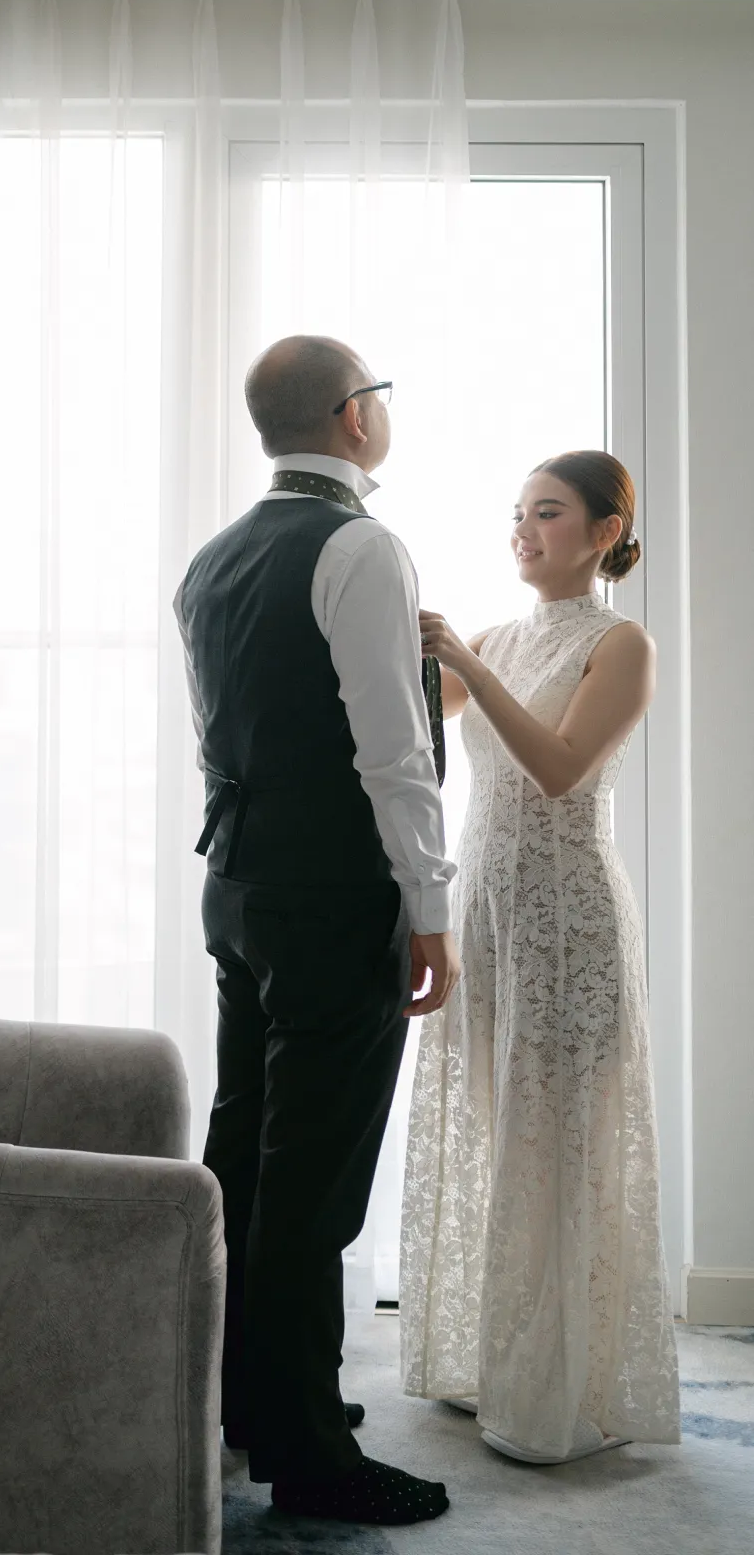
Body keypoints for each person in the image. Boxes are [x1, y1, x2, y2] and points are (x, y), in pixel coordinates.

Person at [175, 335, 459, 1527]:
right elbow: (388, 755)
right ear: (351, 417)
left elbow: (238, 728)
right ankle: (309, 1454)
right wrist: (430, 906)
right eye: (377, 394)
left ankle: (243, 1405)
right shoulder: (358, 545)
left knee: (242, 1157)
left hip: (238, 887)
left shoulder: (213, 556)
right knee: (313, 1181)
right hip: (334, 898)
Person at [400, 450, 681, 1463]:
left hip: (569, 922)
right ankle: (489, 1361)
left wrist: (470, 668)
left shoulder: (621, 642)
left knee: (558, 1140)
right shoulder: (500, 633)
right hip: (483, 911)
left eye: (547, 513)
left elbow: (560, 769)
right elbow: (407, 722)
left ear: (603, 531)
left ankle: (558, 1386)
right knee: (494, 1130)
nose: (522, 530)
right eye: (515, 513)